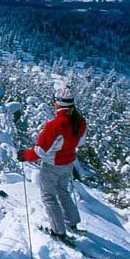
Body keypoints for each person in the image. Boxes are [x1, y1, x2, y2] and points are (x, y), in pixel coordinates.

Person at [17, 87, 87, 240]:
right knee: (63, 192)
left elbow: (40, 152)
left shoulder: (55, 125)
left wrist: (24, 155)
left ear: (58, 103)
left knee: (49, 196)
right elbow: (80, 142)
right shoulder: (80, 121)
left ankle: (58, 231)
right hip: (68, 164)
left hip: (52, 165)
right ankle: (72, 222)